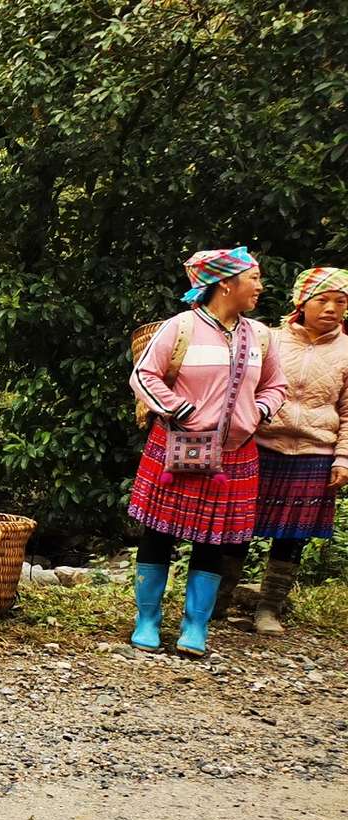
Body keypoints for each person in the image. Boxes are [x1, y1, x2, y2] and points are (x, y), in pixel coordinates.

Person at [128, 247, 287, 657]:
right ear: (226, 283)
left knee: (213, 539)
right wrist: (179, 409)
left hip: (235, 454)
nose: (260, 286)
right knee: (159, 532)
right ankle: (147, 620)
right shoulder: (180, 328)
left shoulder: (262, 336)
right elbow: (143, 375)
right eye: (254, 278)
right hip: (177, 446)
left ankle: (195, 625)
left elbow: (276, 386)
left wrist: (258, 412)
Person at [238, 267, 348, 635]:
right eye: (323, 299)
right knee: (239, 526)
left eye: (341, 301)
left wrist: (343, 458)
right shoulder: (269, 340)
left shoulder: (347, 351)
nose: (332, 308)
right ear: (301, 302)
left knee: (292, 536)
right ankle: (219, 599)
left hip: (315, 451)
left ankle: (269, 608)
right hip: (260, 445)